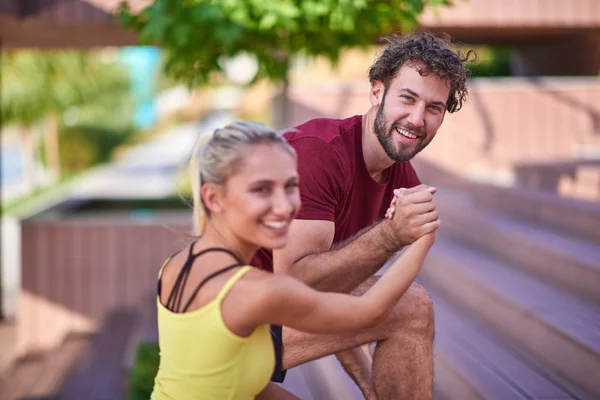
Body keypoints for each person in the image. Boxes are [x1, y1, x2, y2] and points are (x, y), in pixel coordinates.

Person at [251, 30, 474, 399]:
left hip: (263, 330)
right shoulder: (318, 154)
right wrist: (390, 235)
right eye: (407, 98)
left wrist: (373, 388)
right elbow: (296, 282)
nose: (417, 118)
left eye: (434, 108)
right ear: (376, 92)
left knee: (403, 306)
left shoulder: (402, 176)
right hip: (227, 327)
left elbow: (340, 287)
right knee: (410, 306)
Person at [150, 121, 437, 399]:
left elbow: (229, 381)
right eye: (262, 189)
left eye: (290, 186)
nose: (284, 206)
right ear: (213, 198)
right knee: (410, 305)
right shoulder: (258, 292)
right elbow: (371, 311)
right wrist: (420, 234)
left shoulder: (179, 265)